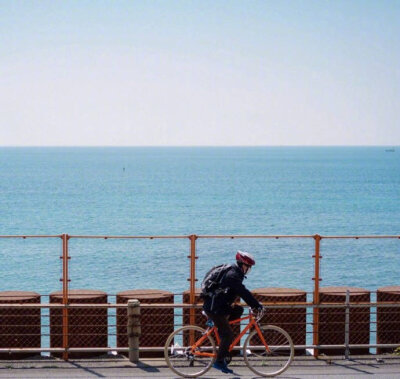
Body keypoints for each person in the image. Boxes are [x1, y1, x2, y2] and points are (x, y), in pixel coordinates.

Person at [203, 250, 263, 374]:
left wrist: (253, 303)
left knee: (238, 310)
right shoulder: (233, 275)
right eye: (248, 267)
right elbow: (243, 292)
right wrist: (256, 305)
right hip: (215, 308)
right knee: (228, 335)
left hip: (219, 305)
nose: (249, 269)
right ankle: (219, 362)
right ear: (242, 264)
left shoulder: (234, 273)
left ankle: (220, 328)